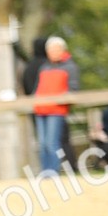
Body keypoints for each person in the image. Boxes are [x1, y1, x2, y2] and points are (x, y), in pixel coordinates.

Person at [33, 36, 79, 173]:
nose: (52, 52)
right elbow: (37, 89)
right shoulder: (44, 68)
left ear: (62, 50)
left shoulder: (70, 67)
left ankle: (53, 171)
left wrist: (61, 99)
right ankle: (45, 171)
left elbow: (73, 89)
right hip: (41, 109)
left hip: (56, 110)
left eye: (55, 49)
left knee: (52, 142)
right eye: (50, 50)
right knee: (42, 144)